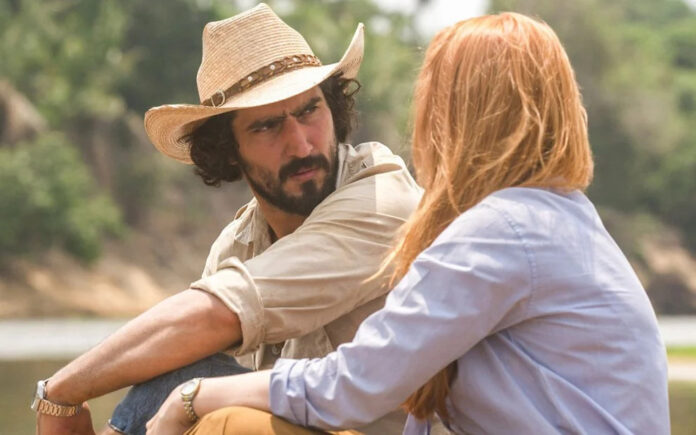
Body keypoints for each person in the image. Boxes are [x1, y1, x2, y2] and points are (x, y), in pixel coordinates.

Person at [147, 12, 670, 435]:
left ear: (458, 115)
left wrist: (192, 398)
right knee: (178, 384)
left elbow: (351, 386)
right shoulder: (557, 218)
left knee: (231, 424)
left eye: (434, 95)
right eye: (267, 125)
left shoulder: (501, 231)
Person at [32, 3, 421, 435]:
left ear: (334, 109)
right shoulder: (238, 244)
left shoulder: (383, 199)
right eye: (267, 127)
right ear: (228, 150)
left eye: (310, 110)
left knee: (219, 415)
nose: (300, 143)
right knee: (180, 381)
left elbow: (221, 315)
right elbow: (183, 350)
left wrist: (61, 394)